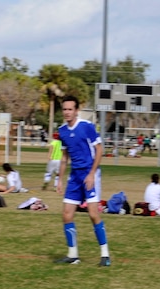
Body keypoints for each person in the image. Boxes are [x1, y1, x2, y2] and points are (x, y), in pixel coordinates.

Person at [56, 95, 111, 267]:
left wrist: (92, 173)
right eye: (65, 109)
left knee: (93, 214)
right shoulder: (62, 131)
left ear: (76, 111)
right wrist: (59, 179)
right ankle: (73, 255)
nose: (67, 112)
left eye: (70, 109)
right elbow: (64, 157)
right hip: (75, 176)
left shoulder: (86, 127)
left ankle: (105, 255)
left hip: (90, 173)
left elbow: (100, 149)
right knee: (66, 215)